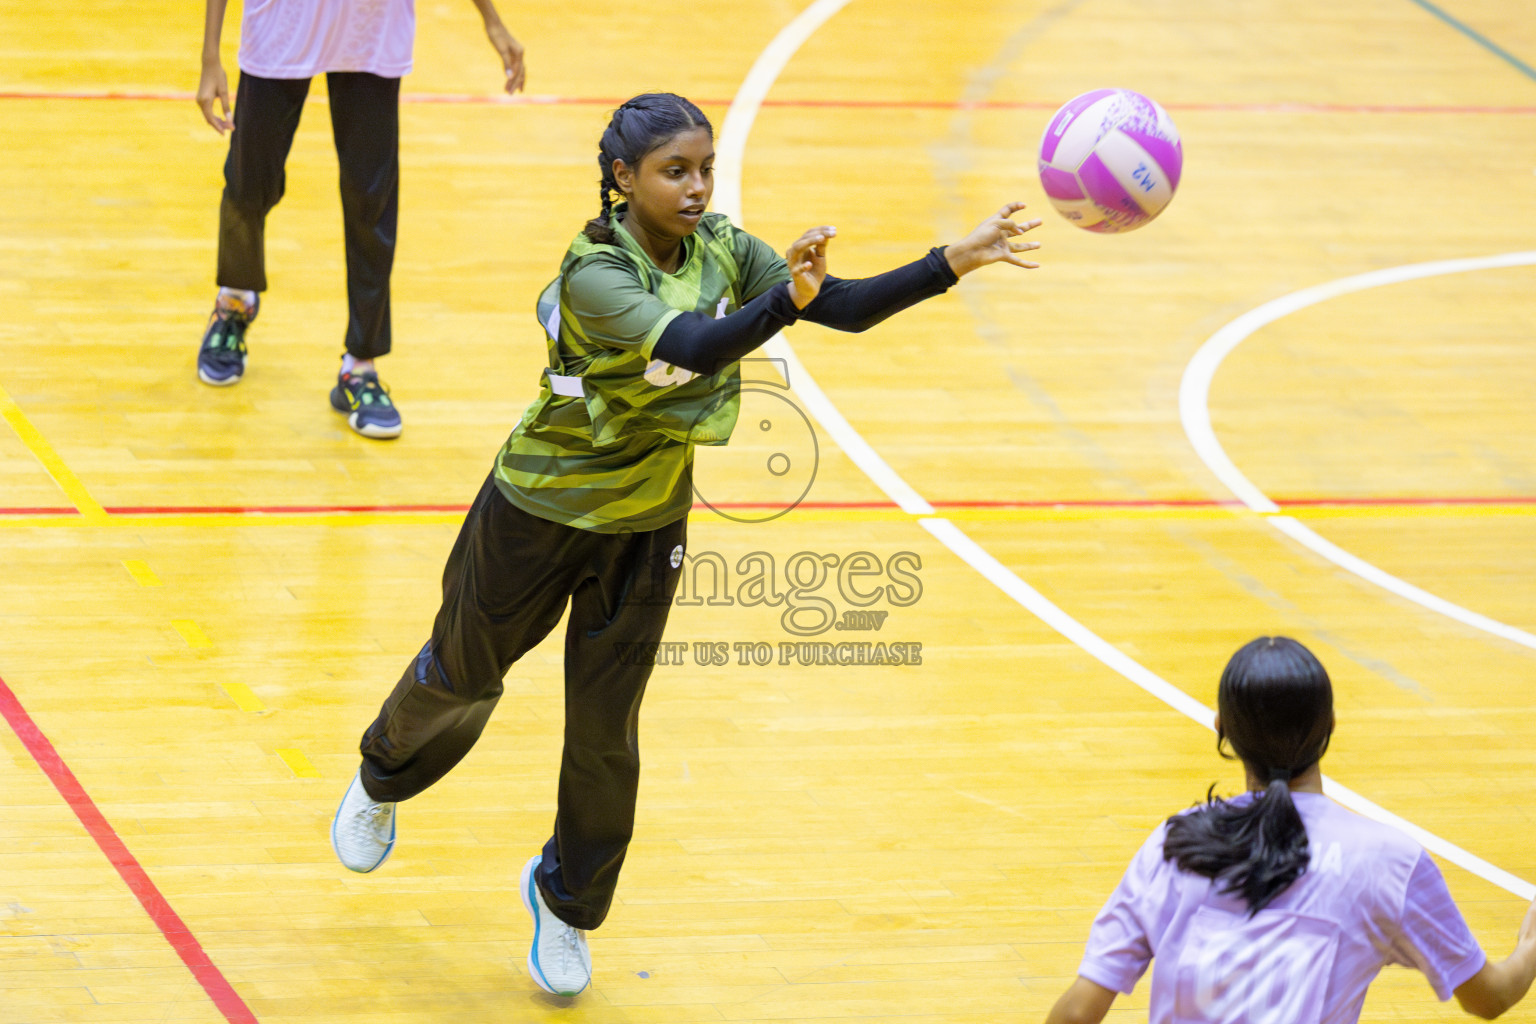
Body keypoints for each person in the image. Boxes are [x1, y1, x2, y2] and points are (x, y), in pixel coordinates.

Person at [327, 90, 1042, 996]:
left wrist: (953, 261)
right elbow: (699, 346)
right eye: (676, 171)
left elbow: (845, 310)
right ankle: (384, 777)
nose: (698, 187)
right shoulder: (596, 270)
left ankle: (567, 901)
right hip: (539, 508)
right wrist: (787, 297)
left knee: (605, 729)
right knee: (464, 676)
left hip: (648, 521)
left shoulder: (723, 248)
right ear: (624, 179)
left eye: (705, 168)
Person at [1045, 636, 1536, 1024]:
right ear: (1330, 728)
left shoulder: (1175, 846)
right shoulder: (1390, 862)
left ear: (1222, 728)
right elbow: (1489, 998)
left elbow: (1076, 1012)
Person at [194, 0, 526, 439]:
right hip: (281, 28)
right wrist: (210, 55)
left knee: (372, 205)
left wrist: (492, 20)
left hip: (371, 36)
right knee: (248, 186)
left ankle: (361, 366)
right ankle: (234, 300)